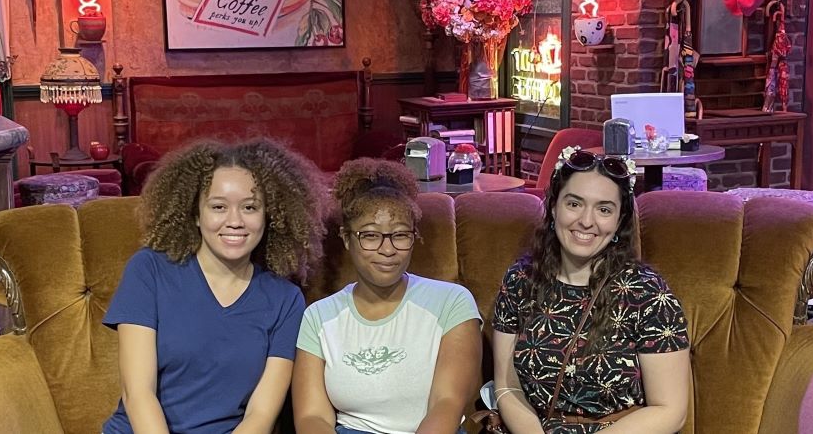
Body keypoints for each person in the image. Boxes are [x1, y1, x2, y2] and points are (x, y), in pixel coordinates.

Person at [102, 139, 328, 434]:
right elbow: (138, 394)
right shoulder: (149, 270)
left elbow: (260, 416)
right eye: (218, 207)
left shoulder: (285, 300)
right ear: (196, 214)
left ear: (268, 215)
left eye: (249, 207)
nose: (234, 221)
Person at [490, 146, 692, 434]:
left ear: (620, 221)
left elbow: (669, 410)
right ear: (553, 207)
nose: (586, 221)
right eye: (574, 204)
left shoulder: (648, 294)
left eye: (604, 209)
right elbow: (508, 386)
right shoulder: (520, 281)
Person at [293, 159, 482, 434]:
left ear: (414, 237)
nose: (387, 249)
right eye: (370, 236)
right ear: (347, 239)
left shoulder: (452, 302)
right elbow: (313, 418)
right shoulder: (319, 317)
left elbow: (447, 403)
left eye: (400, 235)